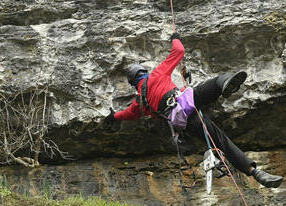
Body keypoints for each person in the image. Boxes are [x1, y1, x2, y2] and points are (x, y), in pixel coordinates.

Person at [105, 32, 284, 188]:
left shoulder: (140, 103)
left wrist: (113, 117)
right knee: (214, 84)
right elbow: (179, 51)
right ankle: (225, 85)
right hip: (188, 102)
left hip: (185, 122)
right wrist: (175, 38)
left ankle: (254, 172)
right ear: (143, 72)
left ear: (133, 83)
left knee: (221, 141)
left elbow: (125, 114)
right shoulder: (156, 75)